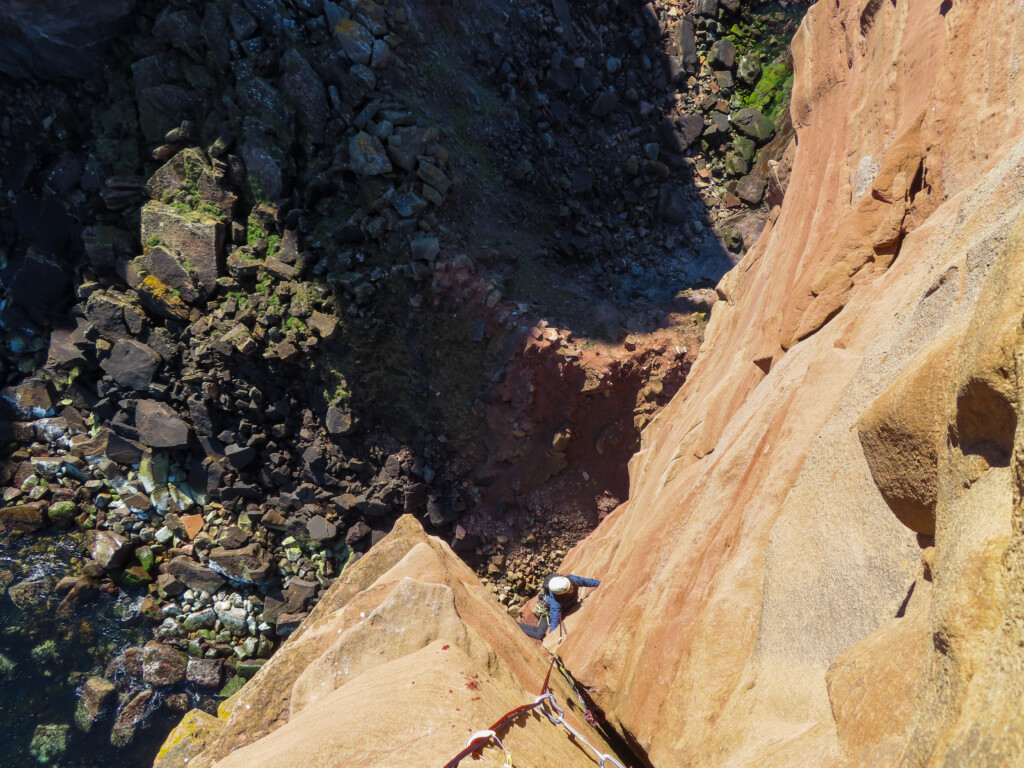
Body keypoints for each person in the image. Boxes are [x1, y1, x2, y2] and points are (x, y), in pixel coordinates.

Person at [518, 573, 600, 639]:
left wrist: (600, 584)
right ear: (562, 593)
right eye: (569, 589)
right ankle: (517, 626)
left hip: (567, 604)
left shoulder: (571, 580)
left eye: (570, 585)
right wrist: (551, 637)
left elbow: (587, 581)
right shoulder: (556, 602)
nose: (572, 587)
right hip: (548, 610)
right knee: (539, 634)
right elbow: (555, 619)